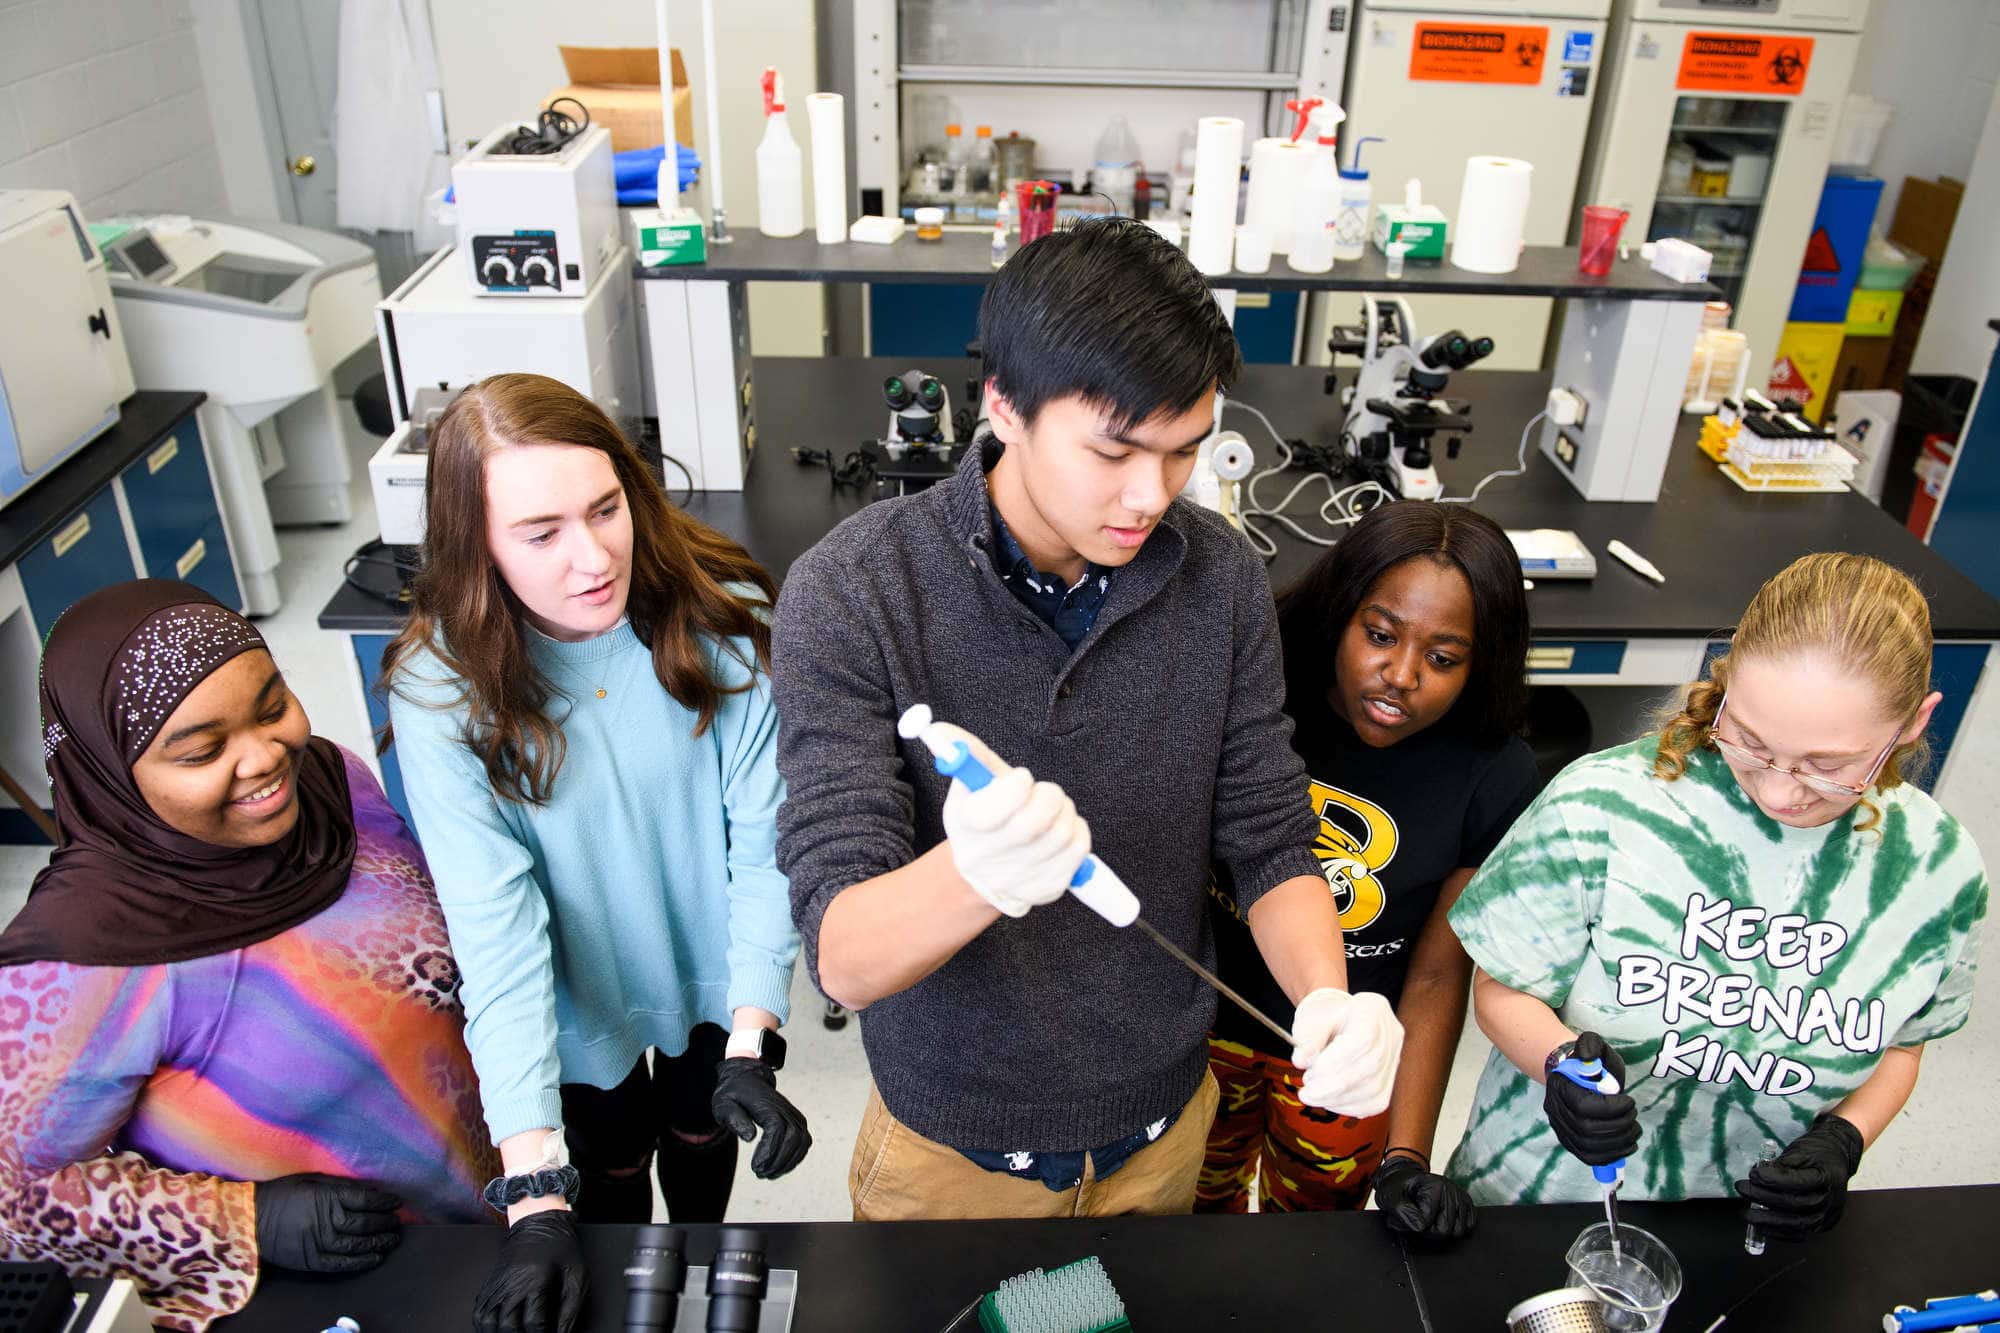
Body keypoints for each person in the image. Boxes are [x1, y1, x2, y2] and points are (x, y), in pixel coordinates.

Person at [771, 217, 1404, 1222]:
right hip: (949, 1151)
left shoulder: (1223, 582)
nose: (1148, 494)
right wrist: (971, 874)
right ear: (1003, 406)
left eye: (1183, 450)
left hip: (1165, 1131)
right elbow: (841, 955)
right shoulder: (852, 593)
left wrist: (1325, 1000)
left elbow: (1269, 839)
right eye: (1112, 450)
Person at [383, 376, 807, 1332]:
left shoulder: (719, 608)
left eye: (606, 508)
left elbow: (764, 844)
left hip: (712, 967)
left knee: (703, 1134)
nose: (592, 557)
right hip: (578, 992)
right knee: (610, 1170)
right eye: (541, 533)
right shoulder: (441, 690)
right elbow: (498, 933)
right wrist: (535, 1198)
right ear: (476, 544)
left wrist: (754, 1035)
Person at [0, 581, 497, 1332]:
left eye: (272, 707)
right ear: (109, 776)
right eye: (202, 750)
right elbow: (16, 1198)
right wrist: (248, 1219)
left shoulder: (334, 788)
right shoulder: (75, 955)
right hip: (331, 1294)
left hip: (487, 1221)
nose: (266, 758)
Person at [1447, 552, 1987, 1242]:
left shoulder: (1938, 870)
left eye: (1828, 768)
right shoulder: (1606, 802)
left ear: (1913, 723)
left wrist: (1844, 1139)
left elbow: (1904, 1046)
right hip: (1544, 1199)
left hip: (1747, 1223)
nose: (1780, 790)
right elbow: (1499, 986)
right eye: (1753, 744)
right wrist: (1557, 1064)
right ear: (1726, 678)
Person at [1197, 502, 1537, 1235]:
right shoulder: (1262, 696)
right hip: (1203, 1035)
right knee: (1188, 1225)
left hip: (1351, 1058)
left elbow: (1438, 973)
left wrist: (1407, 1155)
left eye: (1443, 658)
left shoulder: (1493, 770)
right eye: (1379, 636)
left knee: (1316, 1243)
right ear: (1338, 613)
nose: (1400, 676)